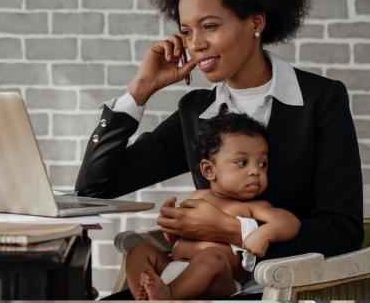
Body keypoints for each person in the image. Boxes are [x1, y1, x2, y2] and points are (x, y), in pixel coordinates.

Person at [76, 0, 363, 298]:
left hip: (278, 289)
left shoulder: (320, 100)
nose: (195, 44)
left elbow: (343, 232)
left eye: (209, 26)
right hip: (189, 286)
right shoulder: (196, 112)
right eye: (186, 31)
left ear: (256, 22)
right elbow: (95, 189)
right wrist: (140, 91)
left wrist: (232, 229)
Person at [125, 112, 301, 300]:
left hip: (219, 280)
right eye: (242, 162)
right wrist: (171, 228)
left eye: (262, 164)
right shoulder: (197, 197)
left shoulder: (254, 206)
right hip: (174, 268)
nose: (255, 171)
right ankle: (143, 294)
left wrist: (264, 234)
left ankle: (167, 296)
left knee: (212, 257)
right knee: (139, 250)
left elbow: (289, 221)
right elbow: (178, 240)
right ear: (209, 170)